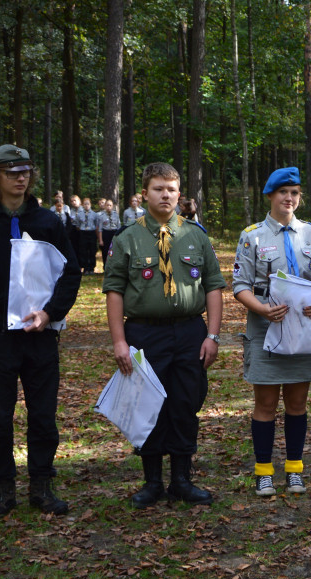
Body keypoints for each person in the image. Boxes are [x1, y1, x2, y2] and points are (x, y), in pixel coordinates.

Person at [0, 144, 82, 517]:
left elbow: (70, 273)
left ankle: (41, 485)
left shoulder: (47, 222)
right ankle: (4, 487)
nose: (21, 178)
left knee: (43, 415)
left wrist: (50, 314)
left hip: (39, 334)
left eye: (25, 171)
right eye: (12, 173)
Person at [103, 162, 224, 508]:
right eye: (158, 188)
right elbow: (113, 291)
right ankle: (152, 481)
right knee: (148, 404)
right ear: (145, 193)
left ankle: (182, 480)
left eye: (171, 189)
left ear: (179, 193)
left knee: (186, 402)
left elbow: (214, 286)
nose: (165, 195)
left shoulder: (195, 236)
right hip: (144, 333)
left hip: (189, 331)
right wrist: (119, 341)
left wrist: (212, 336)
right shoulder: (127, 238)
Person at [232, 167, 311, 497]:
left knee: (298, 402)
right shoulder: (253, 236)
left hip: (301, 330)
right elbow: (240, 285)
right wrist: (261, 310)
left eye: (295, 193)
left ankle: (294, 469)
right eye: (283, 192)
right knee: (266, 402)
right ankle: (263, 472)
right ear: (270, 196)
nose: (289, 198)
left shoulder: (310, 235)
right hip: (265, 329)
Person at [97, 198, 121, 267]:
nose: (108, 207)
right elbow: (100, 229)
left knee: (115, 250)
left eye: (110, 205)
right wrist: (101, 240)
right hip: (106, 234)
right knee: (105, 251)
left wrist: (119, 238)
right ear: (105, 206)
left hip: (114, 233)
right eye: (107, 205)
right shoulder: (102, 216)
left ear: (112, 206)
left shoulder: (116, 215)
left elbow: (119, 227)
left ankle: (114, 266)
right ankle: (106, 266)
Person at [78, 197, 98, 274]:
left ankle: (92, 268)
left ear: (90, 204)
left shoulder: (94, 214)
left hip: (91, 232)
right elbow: (78, 224)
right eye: (85, 204)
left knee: (92, 251)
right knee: (84, 251)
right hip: (83, 232)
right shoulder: (80, 214)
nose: (86, 205)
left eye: (88, 204)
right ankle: (85, 268)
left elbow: (96, 224)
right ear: (82, 205)